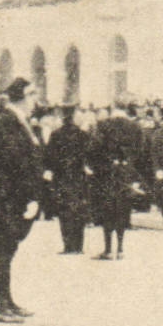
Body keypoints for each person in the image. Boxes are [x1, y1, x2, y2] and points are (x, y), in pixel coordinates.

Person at [0, 77, 44, 322]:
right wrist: (28, 196)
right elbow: (14, 164)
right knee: (4, 250)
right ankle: (1, 305)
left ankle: (7, 301)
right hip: (7, 199)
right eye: (32, 96)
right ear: (22, 98)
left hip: (11, 198)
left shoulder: (16, 120)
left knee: (8, 249)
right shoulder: (7, 122)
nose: (35, 102)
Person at [90, 102, 142, 259]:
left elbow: (94, 148)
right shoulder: (135, 127)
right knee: (122, 209)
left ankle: (107, 249)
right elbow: (141, 151)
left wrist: (98, 167)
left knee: (107, 210)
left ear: (113, 109)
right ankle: (120, 249)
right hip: (126, 173)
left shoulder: (103, 125)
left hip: (107, 174)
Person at [45, 105, 93, 254]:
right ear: (73, 117)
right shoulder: (83, 135)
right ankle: (78, 246)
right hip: (79, 177)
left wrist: (52, 170)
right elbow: (89, 156)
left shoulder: (55, 134)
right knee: (79, 210)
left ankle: (68, 246)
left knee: (65, 211)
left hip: (62, 177)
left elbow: (49, 157)